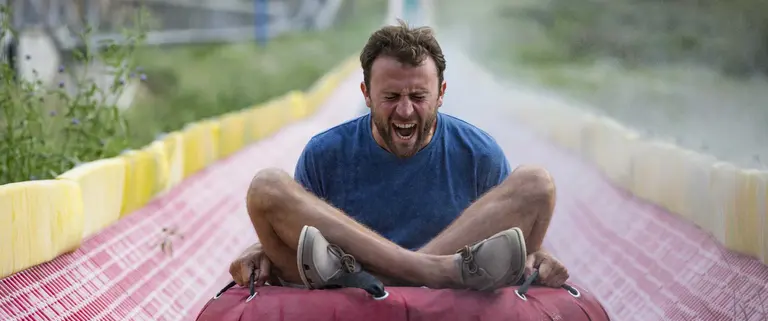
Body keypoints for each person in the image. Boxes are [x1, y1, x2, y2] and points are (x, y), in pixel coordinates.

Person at [229, 20, 570, 292]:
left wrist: (536, 254)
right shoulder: (324, 154)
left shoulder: (479, 154)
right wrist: (261, 249)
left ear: (441, 94)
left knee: (537, 182)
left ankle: (387, 278)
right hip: (413, 285)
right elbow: (298, 240)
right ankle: (431, 271)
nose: (405, 111)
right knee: (266, 186)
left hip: (353, 282)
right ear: (366, 94)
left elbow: (508, 242)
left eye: (418, 96)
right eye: (391, 96)